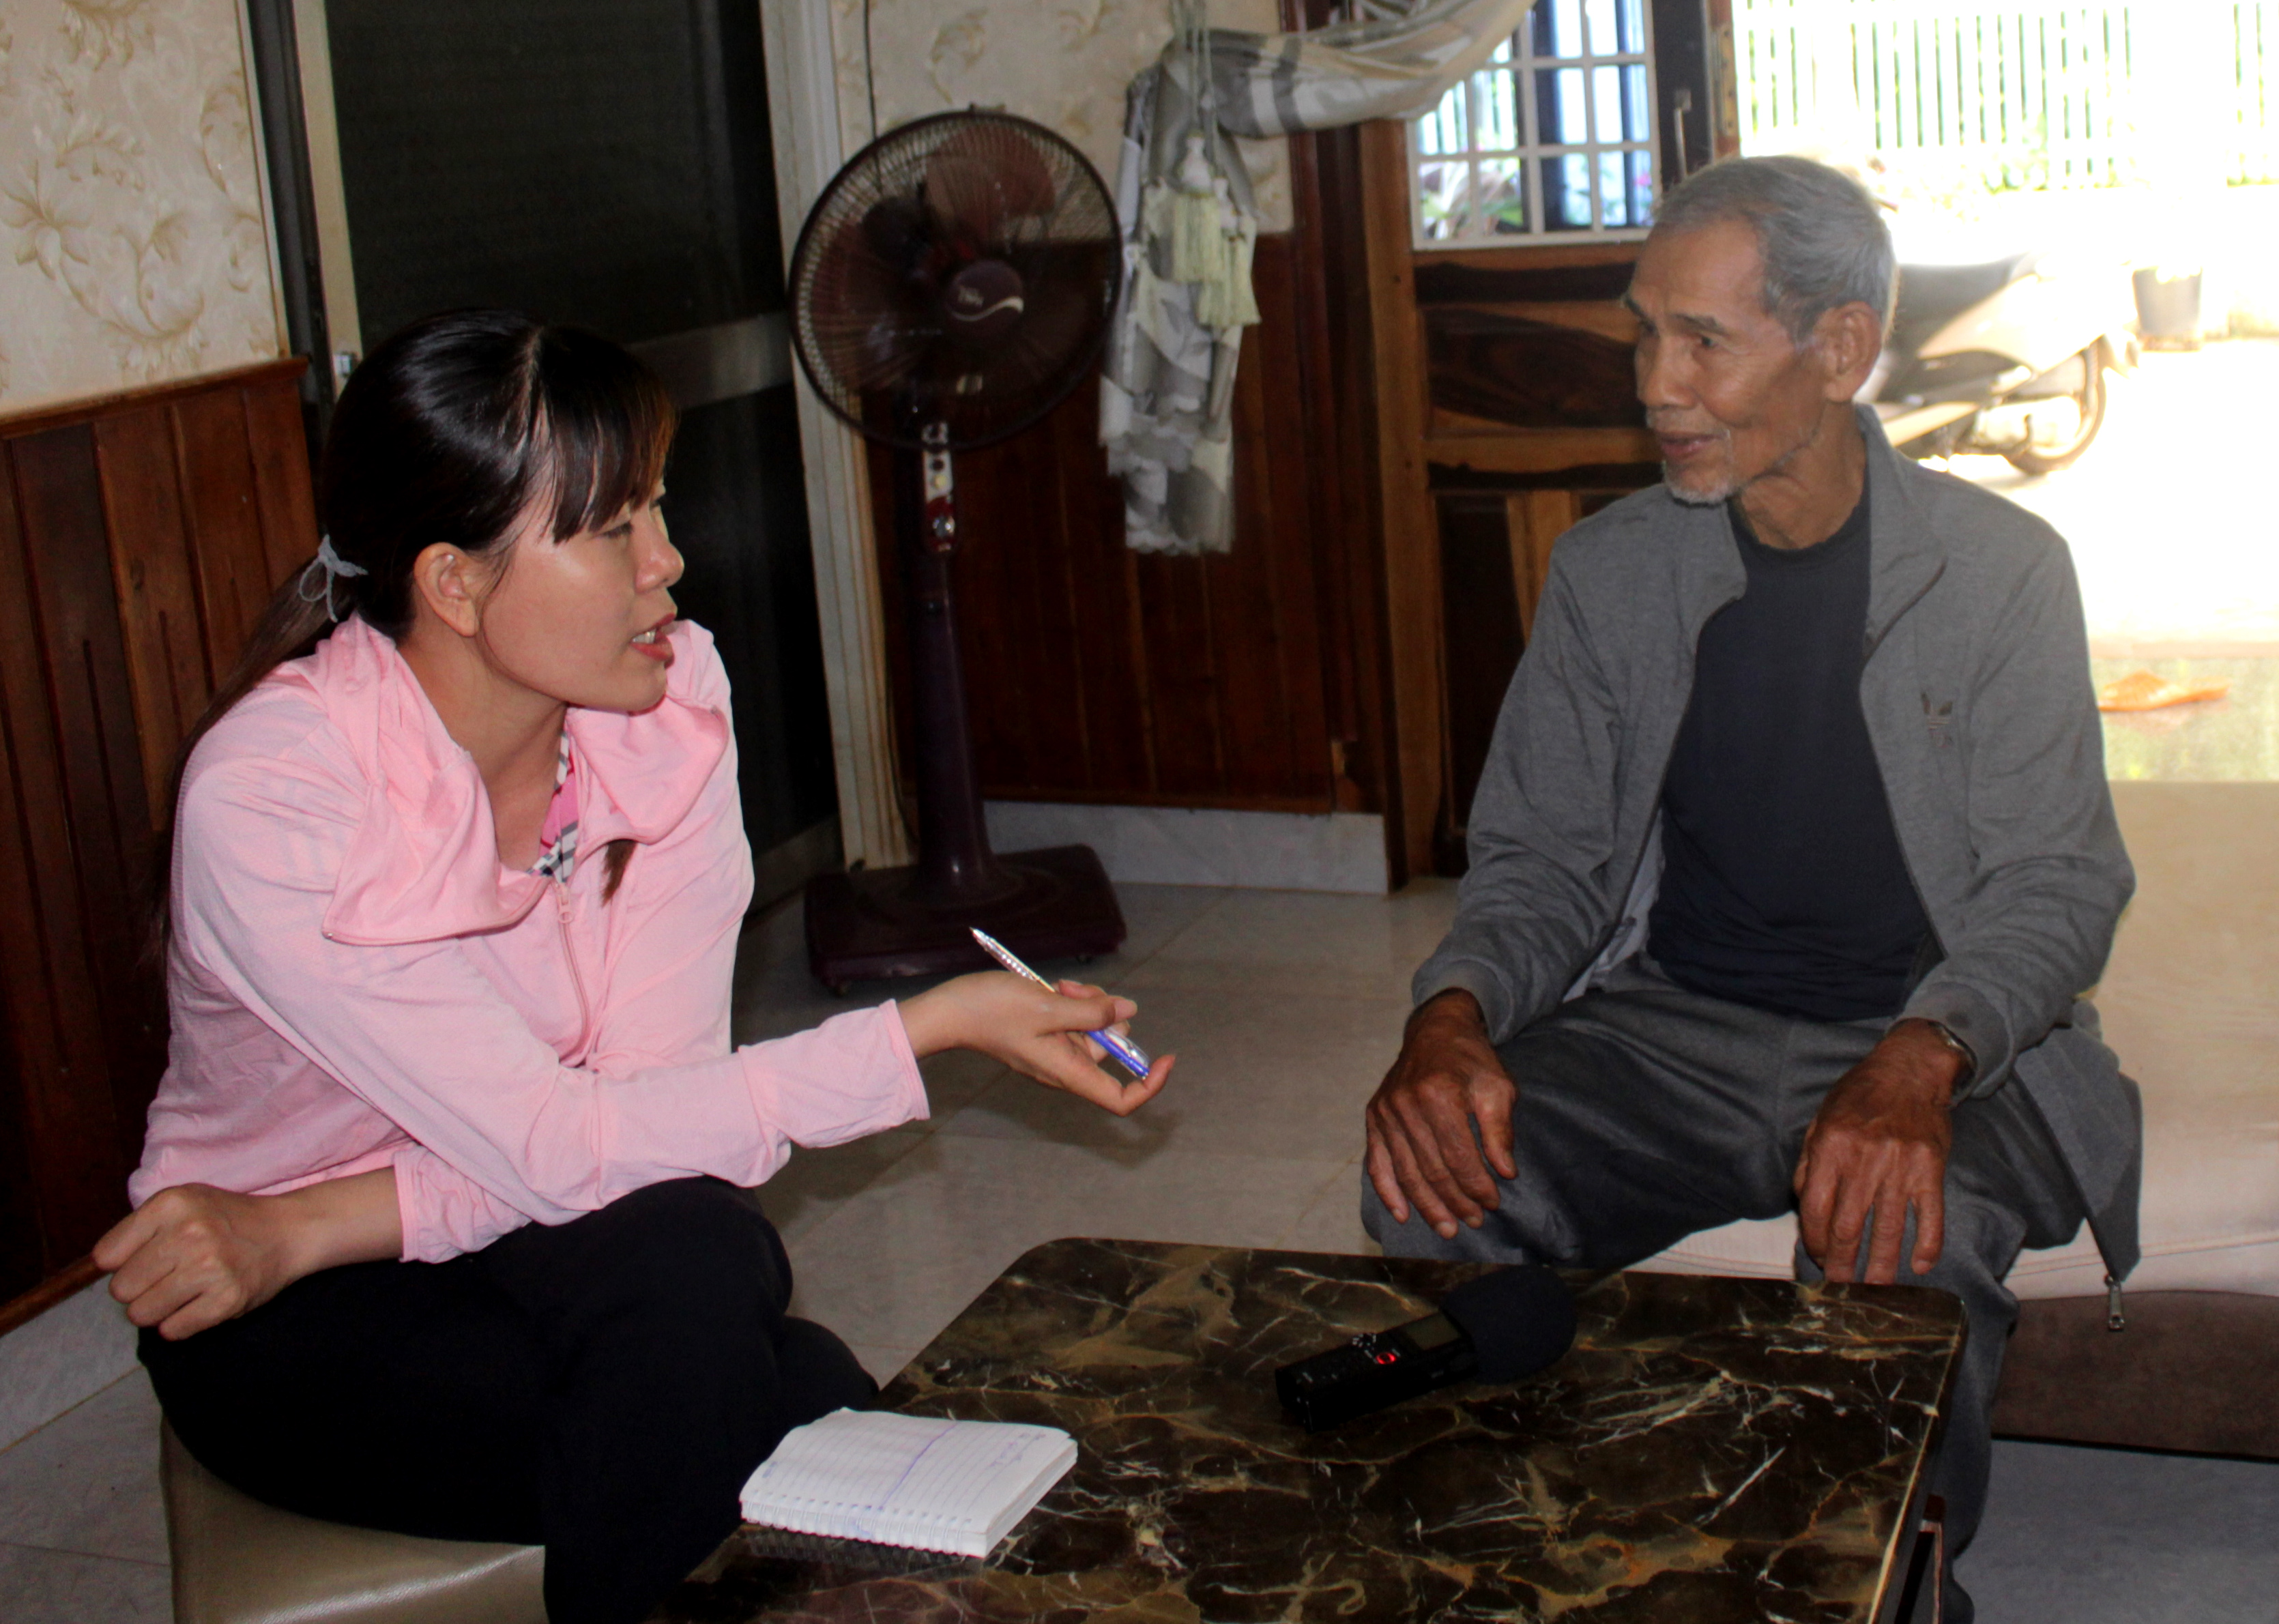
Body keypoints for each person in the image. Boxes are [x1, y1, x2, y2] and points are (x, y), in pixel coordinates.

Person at [94, 310, 1174, 1624]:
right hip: (283, 1308)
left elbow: (636, 1128)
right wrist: (926, 1029)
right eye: (613, 529)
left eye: (657, 505)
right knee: (780, 1378)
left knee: (697, 1265)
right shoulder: (280, 799)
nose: (668, 561)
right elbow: (571, 1147)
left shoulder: (668, 703)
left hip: (339, 1231)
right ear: (453, 584)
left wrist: (306, 1219)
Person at [1361, 157, 2137, 1622]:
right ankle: (1517, 1557)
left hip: (1930, 1040)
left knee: (1903, 1234)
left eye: (1702, 341)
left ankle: (1892, 1596)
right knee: (1437, 1169)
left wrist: (1924, 1054)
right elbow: (1541, 859)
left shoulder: (1998, 572)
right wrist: (1451, 1009)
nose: (1656, 384)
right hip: (1674, 1025)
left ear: (1838, 348)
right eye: (1644, 333)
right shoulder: (1610, 572)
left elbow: (2058, 883)